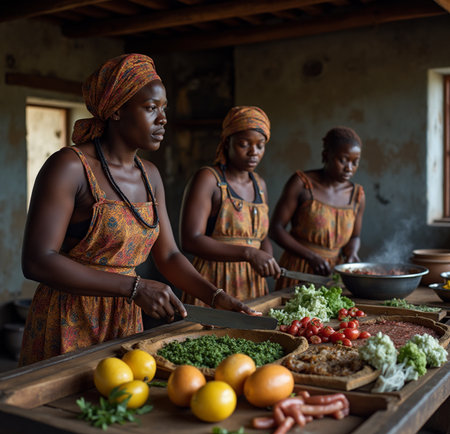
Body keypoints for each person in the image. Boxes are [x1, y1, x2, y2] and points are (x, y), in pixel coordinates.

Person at [18, 54, 259, 367]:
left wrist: (215, 297)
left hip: (126, 318)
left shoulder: (150, 175)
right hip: (69, 317)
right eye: (150, 108)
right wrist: (133, 287)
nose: (163, 120)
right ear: (116, 109)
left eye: (164, 109)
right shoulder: (69, 167)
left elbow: (169, 256)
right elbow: (37, 261)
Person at [179, 106, 280, 306]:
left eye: (260, 146)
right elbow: (191, 240)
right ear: (227, 143)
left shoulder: (260, 184)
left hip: (252, 284)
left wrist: (267, 257)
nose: (254, 152)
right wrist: (249, 253)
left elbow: (261, 237)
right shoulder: (209, 179)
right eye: (244, 144)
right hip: (214, 285)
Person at [270, 126, 365, 290]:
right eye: (343, 160)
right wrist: (311, 256)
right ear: (326, 155)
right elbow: (275, 229)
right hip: (299, 271)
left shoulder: (357, 195)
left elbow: (355, 236)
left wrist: (352, 253)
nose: (349, 168)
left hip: (333, 276)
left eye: (355, 162)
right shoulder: (302, 184)